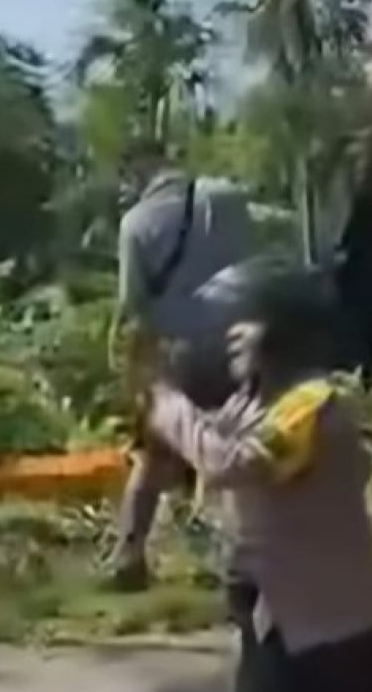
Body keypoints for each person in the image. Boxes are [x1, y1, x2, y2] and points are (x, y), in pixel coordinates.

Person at [145, 257, 372, 692]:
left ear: (282, 330)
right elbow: (208, 439)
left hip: (336, 635)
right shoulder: (255, 403)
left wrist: (170, 408)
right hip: (288, 623)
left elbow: (231, 463)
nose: (229, 335)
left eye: (243, 324)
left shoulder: (312, 404)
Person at [104, 140, 252, 590]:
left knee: (154, 456)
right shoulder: (227, 197)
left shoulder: (136, 224)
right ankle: (243, 559)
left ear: (137, 173)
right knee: (234, 452)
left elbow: (135, 306)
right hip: (239, 344)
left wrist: (131, 363)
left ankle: (128, 556)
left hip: (179, 351)